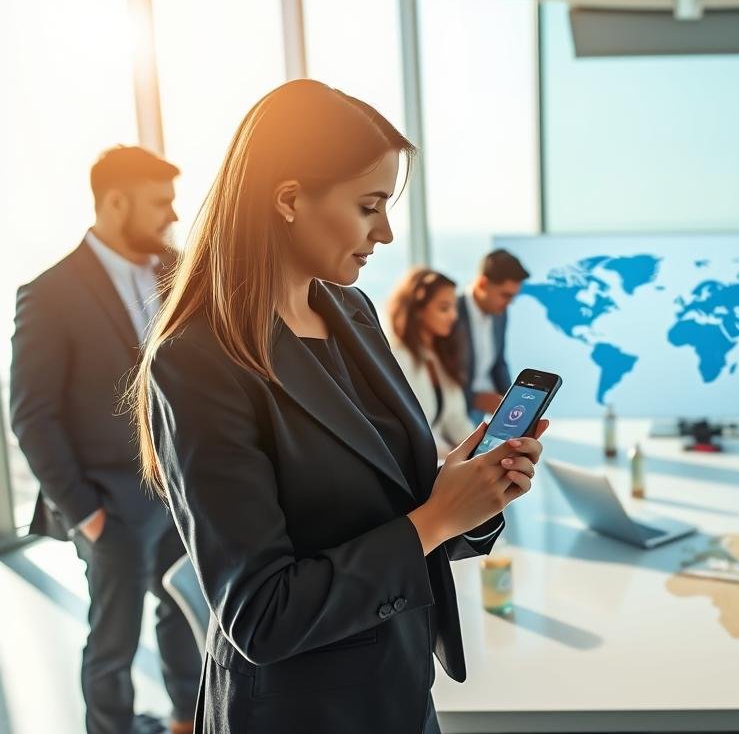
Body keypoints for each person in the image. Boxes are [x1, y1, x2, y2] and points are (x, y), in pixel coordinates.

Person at [129, 80, 544, 733]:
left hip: (398, 690)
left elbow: (389, 508)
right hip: (301, 712)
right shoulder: (199, 360)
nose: (386, 231)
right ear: (289, 198)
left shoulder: (350, 312)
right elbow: (260, 616)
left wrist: (472, 497)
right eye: (369, 205)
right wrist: (436, 519)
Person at [9, 146, 200, 734]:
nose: (171, 215)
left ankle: (187, 721)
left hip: (181, 494)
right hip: (107, 506)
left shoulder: (176, 270)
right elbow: (31, 416)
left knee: (187, 617)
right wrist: (86, 514)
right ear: (114, 202)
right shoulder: (48, 293)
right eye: (158, 202)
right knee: (113, 640)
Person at [387, 267, 476, 458]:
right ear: (418, 310)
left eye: (454, 307)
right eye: (444, 308)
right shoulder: (397, 359)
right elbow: (414, 431)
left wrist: (483, 452)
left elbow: (457, 422)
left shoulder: (438, 358)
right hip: (414, 465)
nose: (453, 316)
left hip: (438, 460)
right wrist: (456, 457)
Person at [456, 248, 528, 417]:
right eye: (505, 295)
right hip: (456, 410)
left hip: (483, 409)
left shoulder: (500, 314)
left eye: (513, 297)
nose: (509, 303)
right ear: (482, 283)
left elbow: (499, 363)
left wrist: (511, 402)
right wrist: (474, 399)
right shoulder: (451, 313)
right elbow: (441, 376)